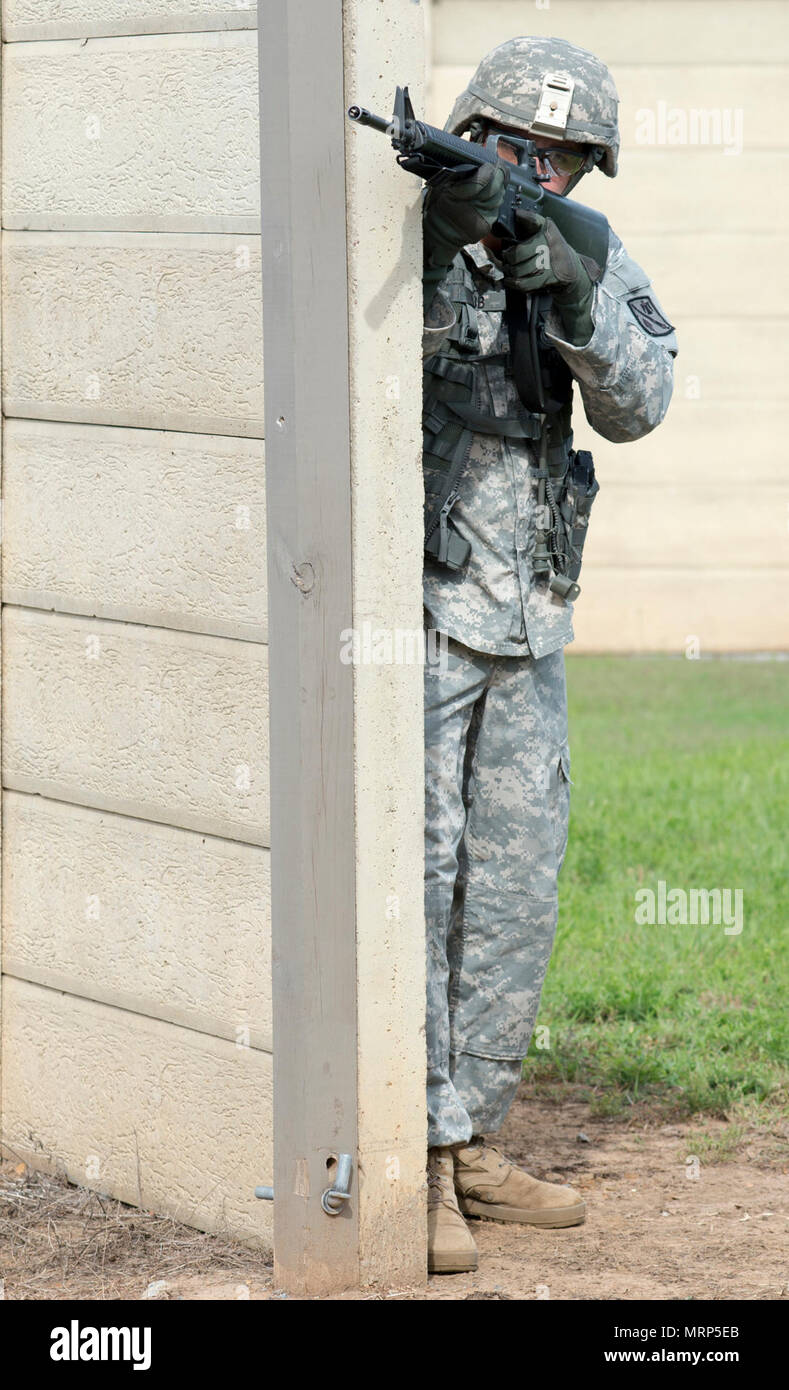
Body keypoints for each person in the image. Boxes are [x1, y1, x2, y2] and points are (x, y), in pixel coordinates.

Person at [420, 36, 678, 1274]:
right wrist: (446, 244)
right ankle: (414, 1152)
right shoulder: (406, 236)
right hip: (417, 611)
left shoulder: (585, 245)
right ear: (476, 131)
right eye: (522, 150)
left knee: (516, 891)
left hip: (534, 615)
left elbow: (641, 400)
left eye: (566, 163)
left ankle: (475, 1141)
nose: (542, 174)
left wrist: (567, 298)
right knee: (419, 885)